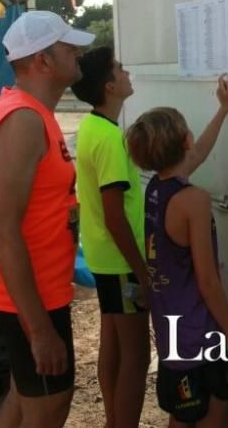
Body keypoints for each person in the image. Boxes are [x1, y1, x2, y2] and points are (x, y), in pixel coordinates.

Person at [0, 10, 93, 428]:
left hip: (37, 291)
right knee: (48, 407)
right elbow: (4, 231)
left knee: (26, 398)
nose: (78, 52)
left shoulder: (33, 113)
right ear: (43, 60)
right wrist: (40, 330)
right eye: (68, 47)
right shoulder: (23, 120)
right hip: (30, 299)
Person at [125, 77, 228, 428]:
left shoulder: (158, 190)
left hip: (171, 336)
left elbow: (197, 155)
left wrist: (223, 111)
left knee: (182, 414)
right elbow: (207, 281)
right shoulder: (194, 201)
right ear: (184, 141)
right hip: (201, 337)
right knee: (212, 413)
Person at [69, 47, 149, 428]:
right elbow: (115, 215)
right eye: (120, 67)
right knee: (137, 354)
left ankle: (113, 420)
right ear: (109, 85)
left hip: (103, 257)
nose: (127, 71)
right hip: (121, 262)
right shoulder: (111, 141)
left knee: (113, 345)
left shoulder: (92, 127)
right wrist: (143, 274)